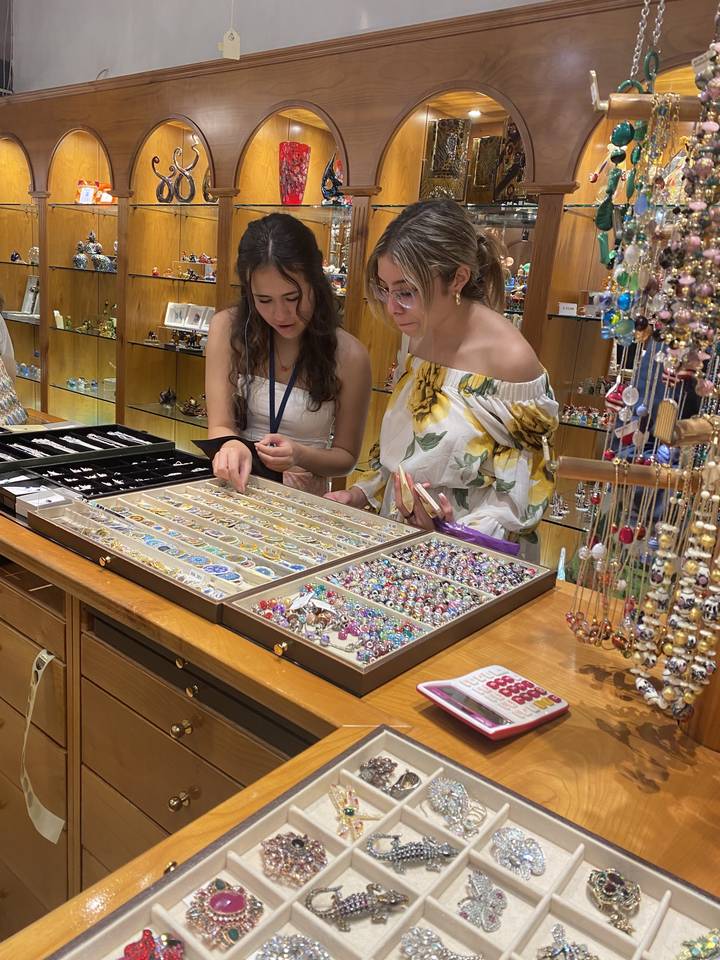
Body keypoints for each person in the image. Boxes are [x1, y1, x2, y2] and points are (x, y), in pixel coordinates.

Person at [326, 199, 558, 556]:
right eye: (386, 289)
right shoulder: (422, 335)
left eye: (406, 292)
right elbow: (406, 451)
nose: (392, 307)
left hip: (467, 559)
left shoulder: (510, 360)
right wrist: (362, 492)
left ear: (458, 279)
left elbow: (525, 496)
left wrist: (452, 532)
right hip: (402, 538)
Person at [205, 213, 371, 494]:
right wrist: (231, 444)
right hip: (236, 487)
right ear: (248, 292)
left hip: (303, 502)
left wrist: (299, 455)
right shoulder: (227, 329)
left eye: (293, 298)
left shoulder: (350, 355)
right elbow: (220, 424)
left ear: (315, 282)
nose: (281, 314)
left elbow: (346, 457)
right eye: (264, 300)